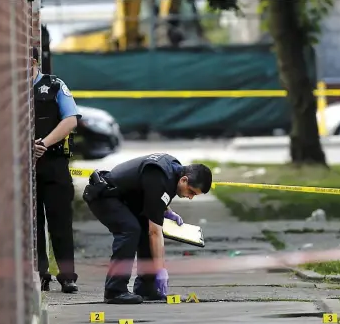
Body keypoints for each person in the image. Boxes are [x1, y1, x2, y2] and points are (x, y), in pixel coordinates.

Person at [82, 153, 213, 304]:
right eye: (191, 192)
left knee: (144, 226)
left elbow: (154, 195)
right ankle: (114, 290)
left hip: (121, 198)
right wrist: (160, 270)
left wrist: (166, 210)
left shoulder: (173, 169)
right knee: (130, 230)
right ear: (184, 180)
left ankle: (146, 288)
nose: (190, 197)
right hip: (104, 196)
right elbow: (155, 232)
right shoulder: (160, 175)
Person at [32, 46, 81, 293]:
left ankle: (67, 276)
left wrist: (43, 143)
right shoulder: (13, 88)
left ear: (33, 61)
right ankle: (41, 274)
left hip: (53, 162)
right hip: (25, 166)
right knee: (33, 223)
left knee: (60, 220)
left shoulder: (53, 86)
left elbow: (71, 119)